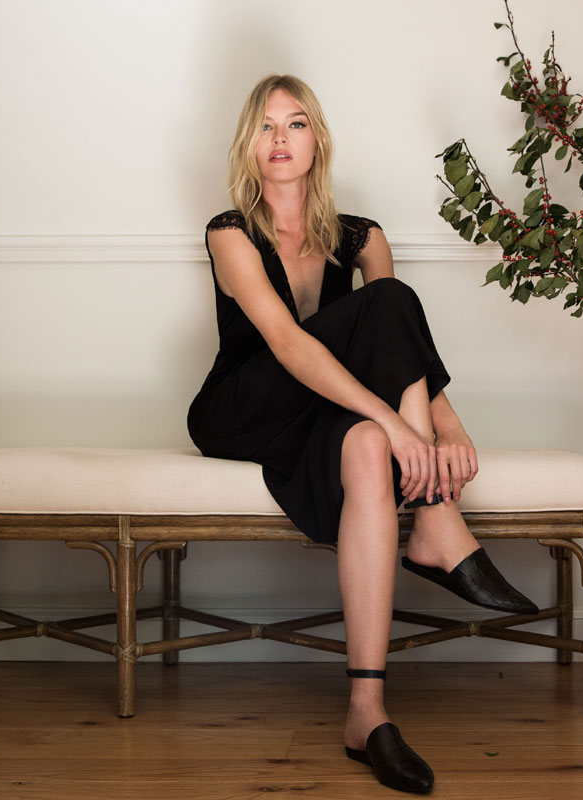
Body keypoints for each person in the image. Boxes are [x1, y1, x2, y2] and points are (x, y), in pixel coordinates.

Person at [186, 74, 538, 795]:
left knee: (377, 422)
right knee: (385, 323)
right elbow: (286, 345)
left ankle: (366, 710)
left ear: (318, 140)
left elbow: (399, 348)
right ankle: (438, 522)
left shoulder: (361, 237)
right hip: (243, 406)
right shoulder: (231, 233)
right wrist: (401, 425)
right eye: (265, 126)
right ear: (249, 145)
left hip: (323, 415)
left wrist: (446, 432)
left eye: (296, 124)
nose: (280, 140)